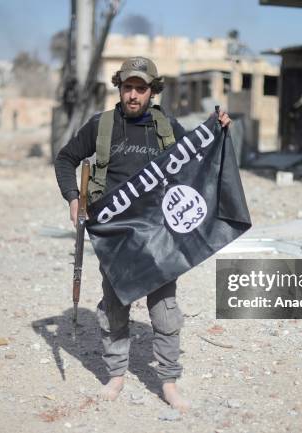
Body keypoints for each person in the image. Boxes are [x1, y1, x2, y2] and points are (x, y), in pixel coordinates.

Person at [54, 56, 231, 412]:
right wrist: (73, 197)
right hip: (115, 237)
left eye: (141, 88)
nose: (133, 95)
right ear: (119, 88)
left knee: (164, 311)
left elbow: (198, 156)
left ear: (152, 91)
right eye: (127, 87)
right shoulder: (101, 125)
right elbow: (65, 159)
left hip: (158, 237)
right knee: (116, 308)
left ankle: (168, 382)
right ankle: (116, 374)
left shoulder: (166, 127)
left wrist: (218, 129)